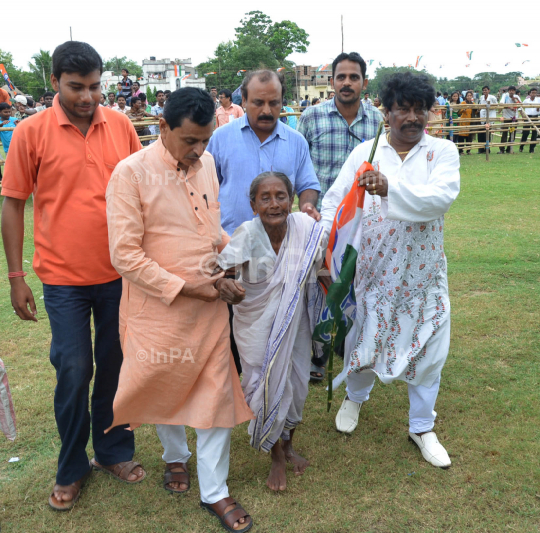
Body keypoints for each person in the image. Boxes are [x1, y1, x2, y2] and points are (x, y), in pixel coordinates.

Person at [0, 40, 145, 512]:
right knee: (74, 367)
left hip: (120, 273)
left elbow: (144, 190)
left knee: (116, 364)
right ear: (55, 82)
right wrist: (16, 276)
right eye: (76, 87)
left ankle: (112, 451)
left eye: (95, 86)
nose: (88, 97)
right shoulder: (29, 132)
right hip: (62, 279)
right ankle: (71, 467)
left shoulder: (120, 125)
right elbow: (13, 203)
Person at [105, 87, 253, 533]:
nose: (199, 150)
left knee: (216, 393)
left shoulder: (206, 165)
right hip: (157, 310)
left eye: (205, 140)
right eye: (190, 140)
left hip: (210, 307)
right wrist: (187, 288)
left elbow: (211, 229)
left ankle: (215, 491)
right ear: (163, 127)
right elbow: (125, 256)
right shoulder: (130, 174)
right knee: (162, 385)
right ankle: (174, 456)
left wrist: (234, 256)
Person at [322, 71, 459, 469]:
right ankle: (355, 398)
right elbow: (335, 202)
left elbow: (440, 198)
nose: (412, 117)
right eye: (403, 109)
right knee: (365, 339)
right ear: (386, 112)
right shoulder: (366, 152)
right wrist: (325, 246)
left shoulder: (441, 152)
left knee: (428, 349)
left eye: (420, 109)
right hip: (374, 273)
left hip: (423, 276)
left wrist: (388, 189)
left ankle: (421, 426)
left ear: (429, 112)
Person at [207, 69, 321, 374]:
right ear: (243, 101)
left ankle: (273, 383)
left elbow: (308, 184)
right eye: (258, 102)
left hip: (280, 257)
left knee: (279, 334)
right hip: (232, 254)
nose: (267, 110)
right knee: (231, 335)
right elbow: (205, 188)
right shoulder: (221, 138)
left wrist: (307, 206)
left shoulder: (296, 142)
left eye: (274, 103)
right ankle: (238, 385)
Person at [217, 172, 325, 492]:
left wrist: (339, 299)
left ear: (292, 200)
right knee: (261, 383)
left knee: (297, 383)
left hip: (295, 320)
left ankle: (288, 444)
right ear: (253, 205)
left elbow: (321, 265)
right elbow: (221, 273)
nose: (274, 204)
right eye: (265, 198)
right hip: (254, 323)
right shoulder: (247, 234)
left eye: (281, 196)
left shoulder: (305, 228)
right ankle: (276, 456)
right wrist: (227, 287)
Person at [297, 51, 385, 381]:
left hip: (363, 224)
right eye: (341, 77)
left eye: (353, 77)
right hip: (322, 220)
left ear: (364, 82)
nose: (347, 83)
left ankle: (356, 350)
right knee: (319, 285)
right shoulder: (312, 117)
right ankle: (318, 355)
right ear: (331, 81)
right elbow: (300, 167)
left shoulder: (378, 121)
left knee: (359, 284)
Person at [499, 86, 520, 154]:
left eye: (513, 90)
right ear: (508, 91)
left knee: (512, 133)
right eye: (510, 90)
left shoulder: (516, 97)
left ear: (514, 91)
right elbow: (501, 103)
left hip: (514, 118)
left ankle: (509, 148)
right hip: (506, 117)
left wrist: (516, 101)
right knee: (504, 132)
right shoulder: (505, 96)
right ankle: (502, 149)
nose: (511, 92)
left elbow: (520, 105)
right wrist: (509, 107)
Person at [477, 85, 497, 154]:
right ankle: (481, 149)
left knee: (487, 133)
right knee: (481, 133)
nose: (484, 91)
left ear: (489, 90)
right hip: (482, 116)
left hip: (490, 116)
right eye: (483, 90)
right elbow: (480, 105)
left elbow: (496, 106)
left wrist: (488, 107)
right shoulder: (481, 97)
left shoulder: (492, 97)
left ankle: (487, 149)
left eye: (486, 90)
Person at [520, 88, 539, 153]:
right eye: (532, 92)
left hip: (535, 117)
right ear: (530, 93)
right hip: (528, 117)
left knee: (534, 133)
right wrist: (523, 116)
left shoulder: (538, 100)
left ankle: (531, 149)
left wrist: (538, 109)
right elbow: (520, 108)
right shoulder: (526, 100)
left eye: (535, 93)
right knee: (526, 132)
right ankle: (521, 146)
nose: (534, 94)